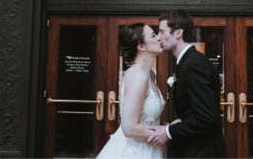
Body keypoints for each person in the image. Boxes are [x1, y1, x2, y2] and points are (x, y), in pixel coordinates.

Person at [146, 10, 226, 157]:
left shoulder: (193, 64)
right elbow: (193, 110)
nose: (158, 37)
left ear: (178, 33)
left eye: (162, 31)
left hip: (200, 151)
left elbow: (206, 117)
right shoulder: (188, 62)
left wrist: (168, 132)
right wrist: (178, 122)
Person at [96, 23, 165, 158]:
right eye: (153, 35)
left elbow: (146, 117)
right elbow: (129, 127)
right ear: (141, 46)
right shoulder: (138, 76)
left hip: (150, 149)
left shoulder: (150, 74)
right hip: (134, 151)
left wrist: (166, 126)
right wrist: (165, 133)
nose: (159, 38)